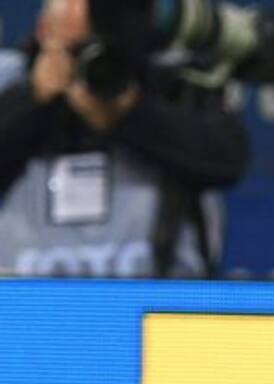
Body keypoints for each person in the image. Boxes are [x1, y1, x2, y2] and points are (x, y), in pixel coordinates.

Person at [0, 0, 249, 278]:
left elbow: (225, 161)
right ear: (44, 30)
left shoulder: (174, 81)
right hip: (22, 297)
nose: (87, 64)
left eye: (98, 48)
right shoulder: (9, 79)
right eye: (75, 50)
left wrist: (128, 113)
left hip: (159, 295)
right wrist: (33, 99)